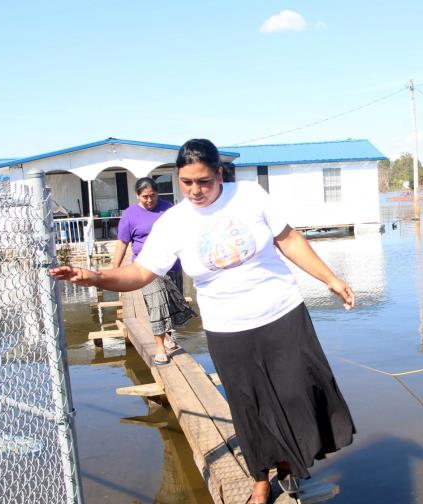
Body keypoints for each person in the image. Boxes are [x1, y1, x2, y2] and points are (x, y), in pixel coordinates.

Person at [51, 139, 356, 504]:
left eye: (204, 181)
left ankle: (290, 467)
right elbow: (141, 272)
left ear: (220, 174)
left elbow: (289, 240)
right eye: (186, 182)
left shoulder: (249, 195)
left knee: (294, 395)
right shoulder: (173, 223)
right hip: (227, 327)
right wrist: (97, 277)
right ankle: (260, 481)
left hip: (282, 313)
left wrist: (331, 279)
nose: (195, 190)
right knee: (248, 406)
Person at [111, 177, 194, 364]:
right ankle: (159, 347)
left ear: (158, 193)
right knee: (157, 303)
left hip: (171, 265)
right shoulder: (130, 215)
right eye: (145, 197)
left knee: (172, 302)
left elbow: (182, 233)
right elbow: (122, 243)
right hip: (146, 266)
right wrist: (114, 272)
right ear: (138, 196)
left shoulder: (168, 208)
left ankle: (168, 336)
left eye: (153, 196)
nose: (149, 200)